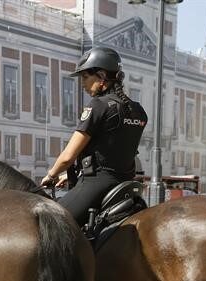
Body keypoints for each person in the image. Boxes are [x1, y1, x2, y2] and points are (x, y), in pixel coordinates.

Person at [40, 46, 148, 226]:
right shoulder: (138, 111)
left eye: (85, 77)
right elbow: (116, 148)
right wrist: (70, 176)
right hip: (126, 184)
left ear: (102, 76)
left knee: (52, 223)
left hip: (98, 183)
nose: (82, 83)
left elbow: (68, 157)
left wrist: (50, 176)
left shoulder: (98, 105)